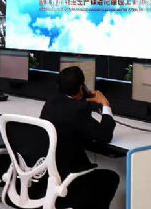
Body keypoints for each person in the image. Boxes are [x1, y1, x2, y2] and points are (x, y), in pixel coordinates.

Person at [40, 66, 119, 209]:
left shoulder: (50, 102)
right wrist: (105, 104)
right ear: (82, 87)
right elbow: (105, 135)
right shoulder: (78, 110)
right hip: (68, 182)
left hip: (47, 179)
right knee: (110, 177)